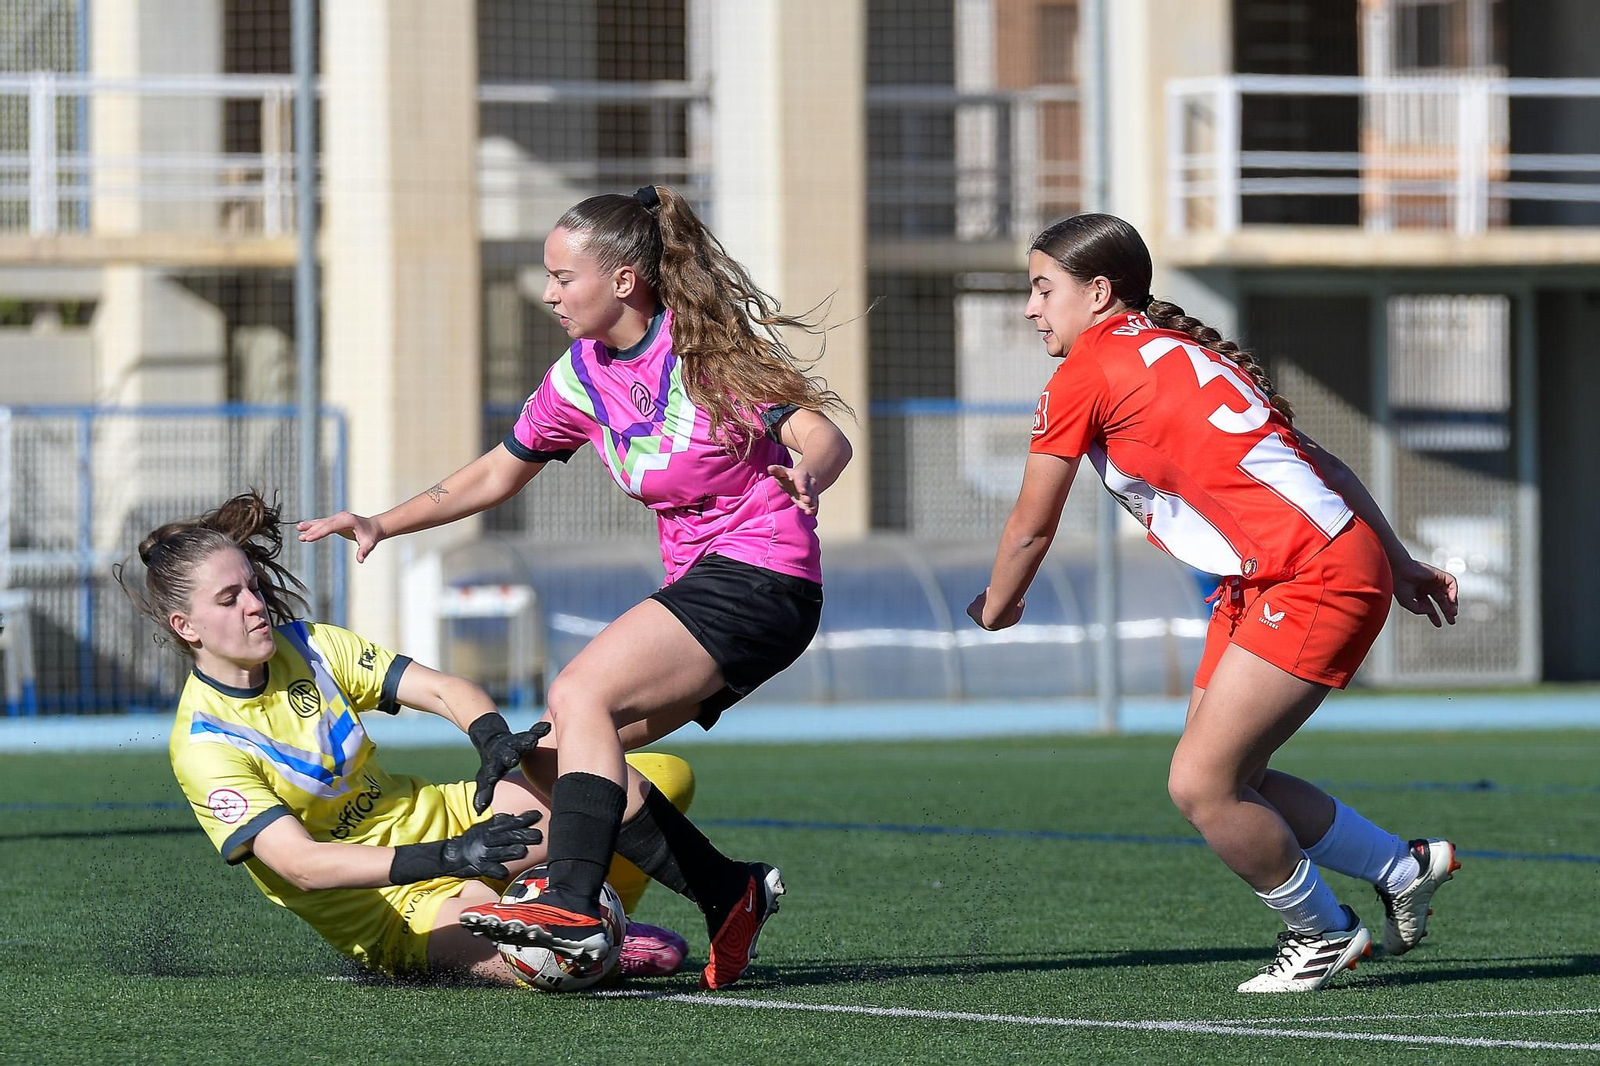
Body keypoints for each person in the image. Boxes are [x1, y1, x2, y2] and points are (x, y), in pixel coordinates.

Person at [298, 183, 854, 989]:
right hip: (710, 586)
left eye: (564, 277)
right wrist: (385, 521)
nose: (550, 293)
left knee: (578, 690)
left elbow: (819, 433)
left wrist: (812, 467)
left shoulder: (704, 356)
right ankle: (728, 891)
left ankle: (567, 899)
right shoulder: (581, 376)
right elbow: (496, 472)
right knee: (557, 760)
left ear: (625, 280)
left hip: (763, 577)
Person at [968, 213, 1462, 993]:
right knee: (1240, 778)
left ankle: (1323, 933)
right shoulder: (1185, 351)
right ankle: (1401, 869)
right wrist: (1395, 558)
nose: (1031, 308)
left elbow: (1032, 523)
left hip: (1309, 574)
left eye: (1042, 288)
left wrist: (998, 605)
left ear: (1098, 293)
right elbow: (1319, 462)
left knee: (1201, 784)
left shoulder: (1086, 372)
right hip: (1291, 570)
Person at [118, 491, 695, 986]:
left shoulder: (312, 646)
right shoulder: (204, 743)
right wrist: (449, 859)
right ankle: (584, 938)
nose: (254, 606)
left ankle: (602, 916)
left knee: (656, 780)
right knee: (544, 958)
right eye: (229, 599)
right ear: (185, 627)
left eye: (250, 587)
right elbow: (303, 866)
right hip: (391, 907)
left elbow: (445, 690)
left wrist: (491, 737)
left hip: (442, 817)